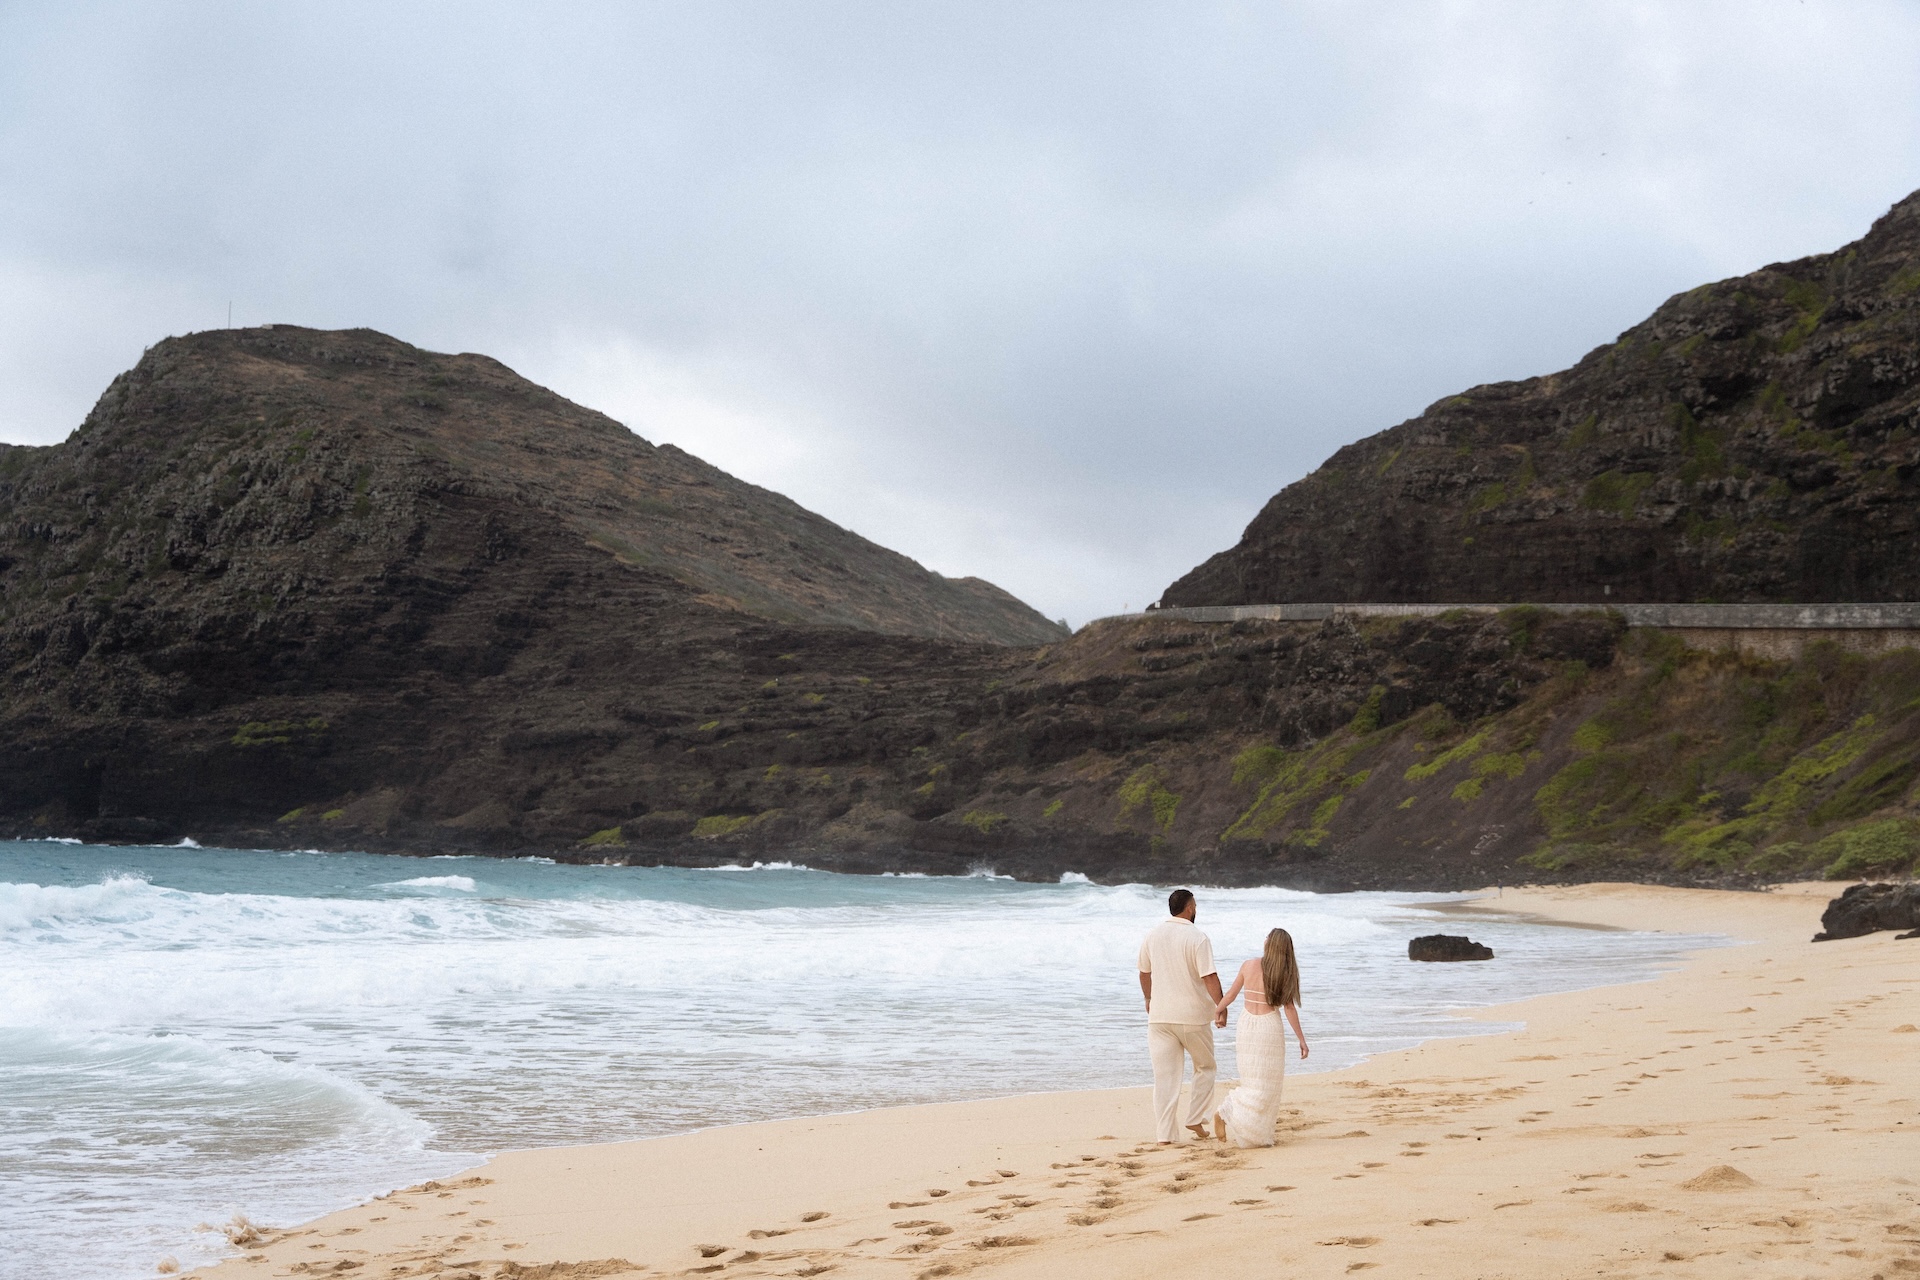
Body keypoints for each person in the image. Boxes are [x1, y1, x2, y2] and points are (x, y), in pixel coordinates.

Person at [1137, 888, 1224, 1143]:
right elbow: (1209, 976)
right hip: (1193, 1017)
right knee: (1205, 1067)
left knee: (1165, 1078)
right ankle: (1195, 1117)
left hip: (1160, 1018)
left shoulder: (1152, 935)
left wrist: (1149, 998)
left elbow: (1144, 972)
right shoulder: (1197, 937)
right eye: (1194, 905)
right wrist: (1221, 1006)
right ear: (1190, 907)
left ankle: (1165, 1135)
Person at [1211, 927, 1309, 1148]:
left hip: (1246, 1025)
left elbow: (1231, 995)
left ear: (1269, 944)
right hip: (1267, 1028)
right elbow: (1289, 1008)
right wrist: (1301, 1039)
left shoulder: (1248, 965)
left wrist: (1218, 1010)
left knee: (1251, 1081)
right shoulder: (1283, 972)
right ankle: (1226, 1112)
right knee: (1266, 1086)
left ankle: (1248, 1134)